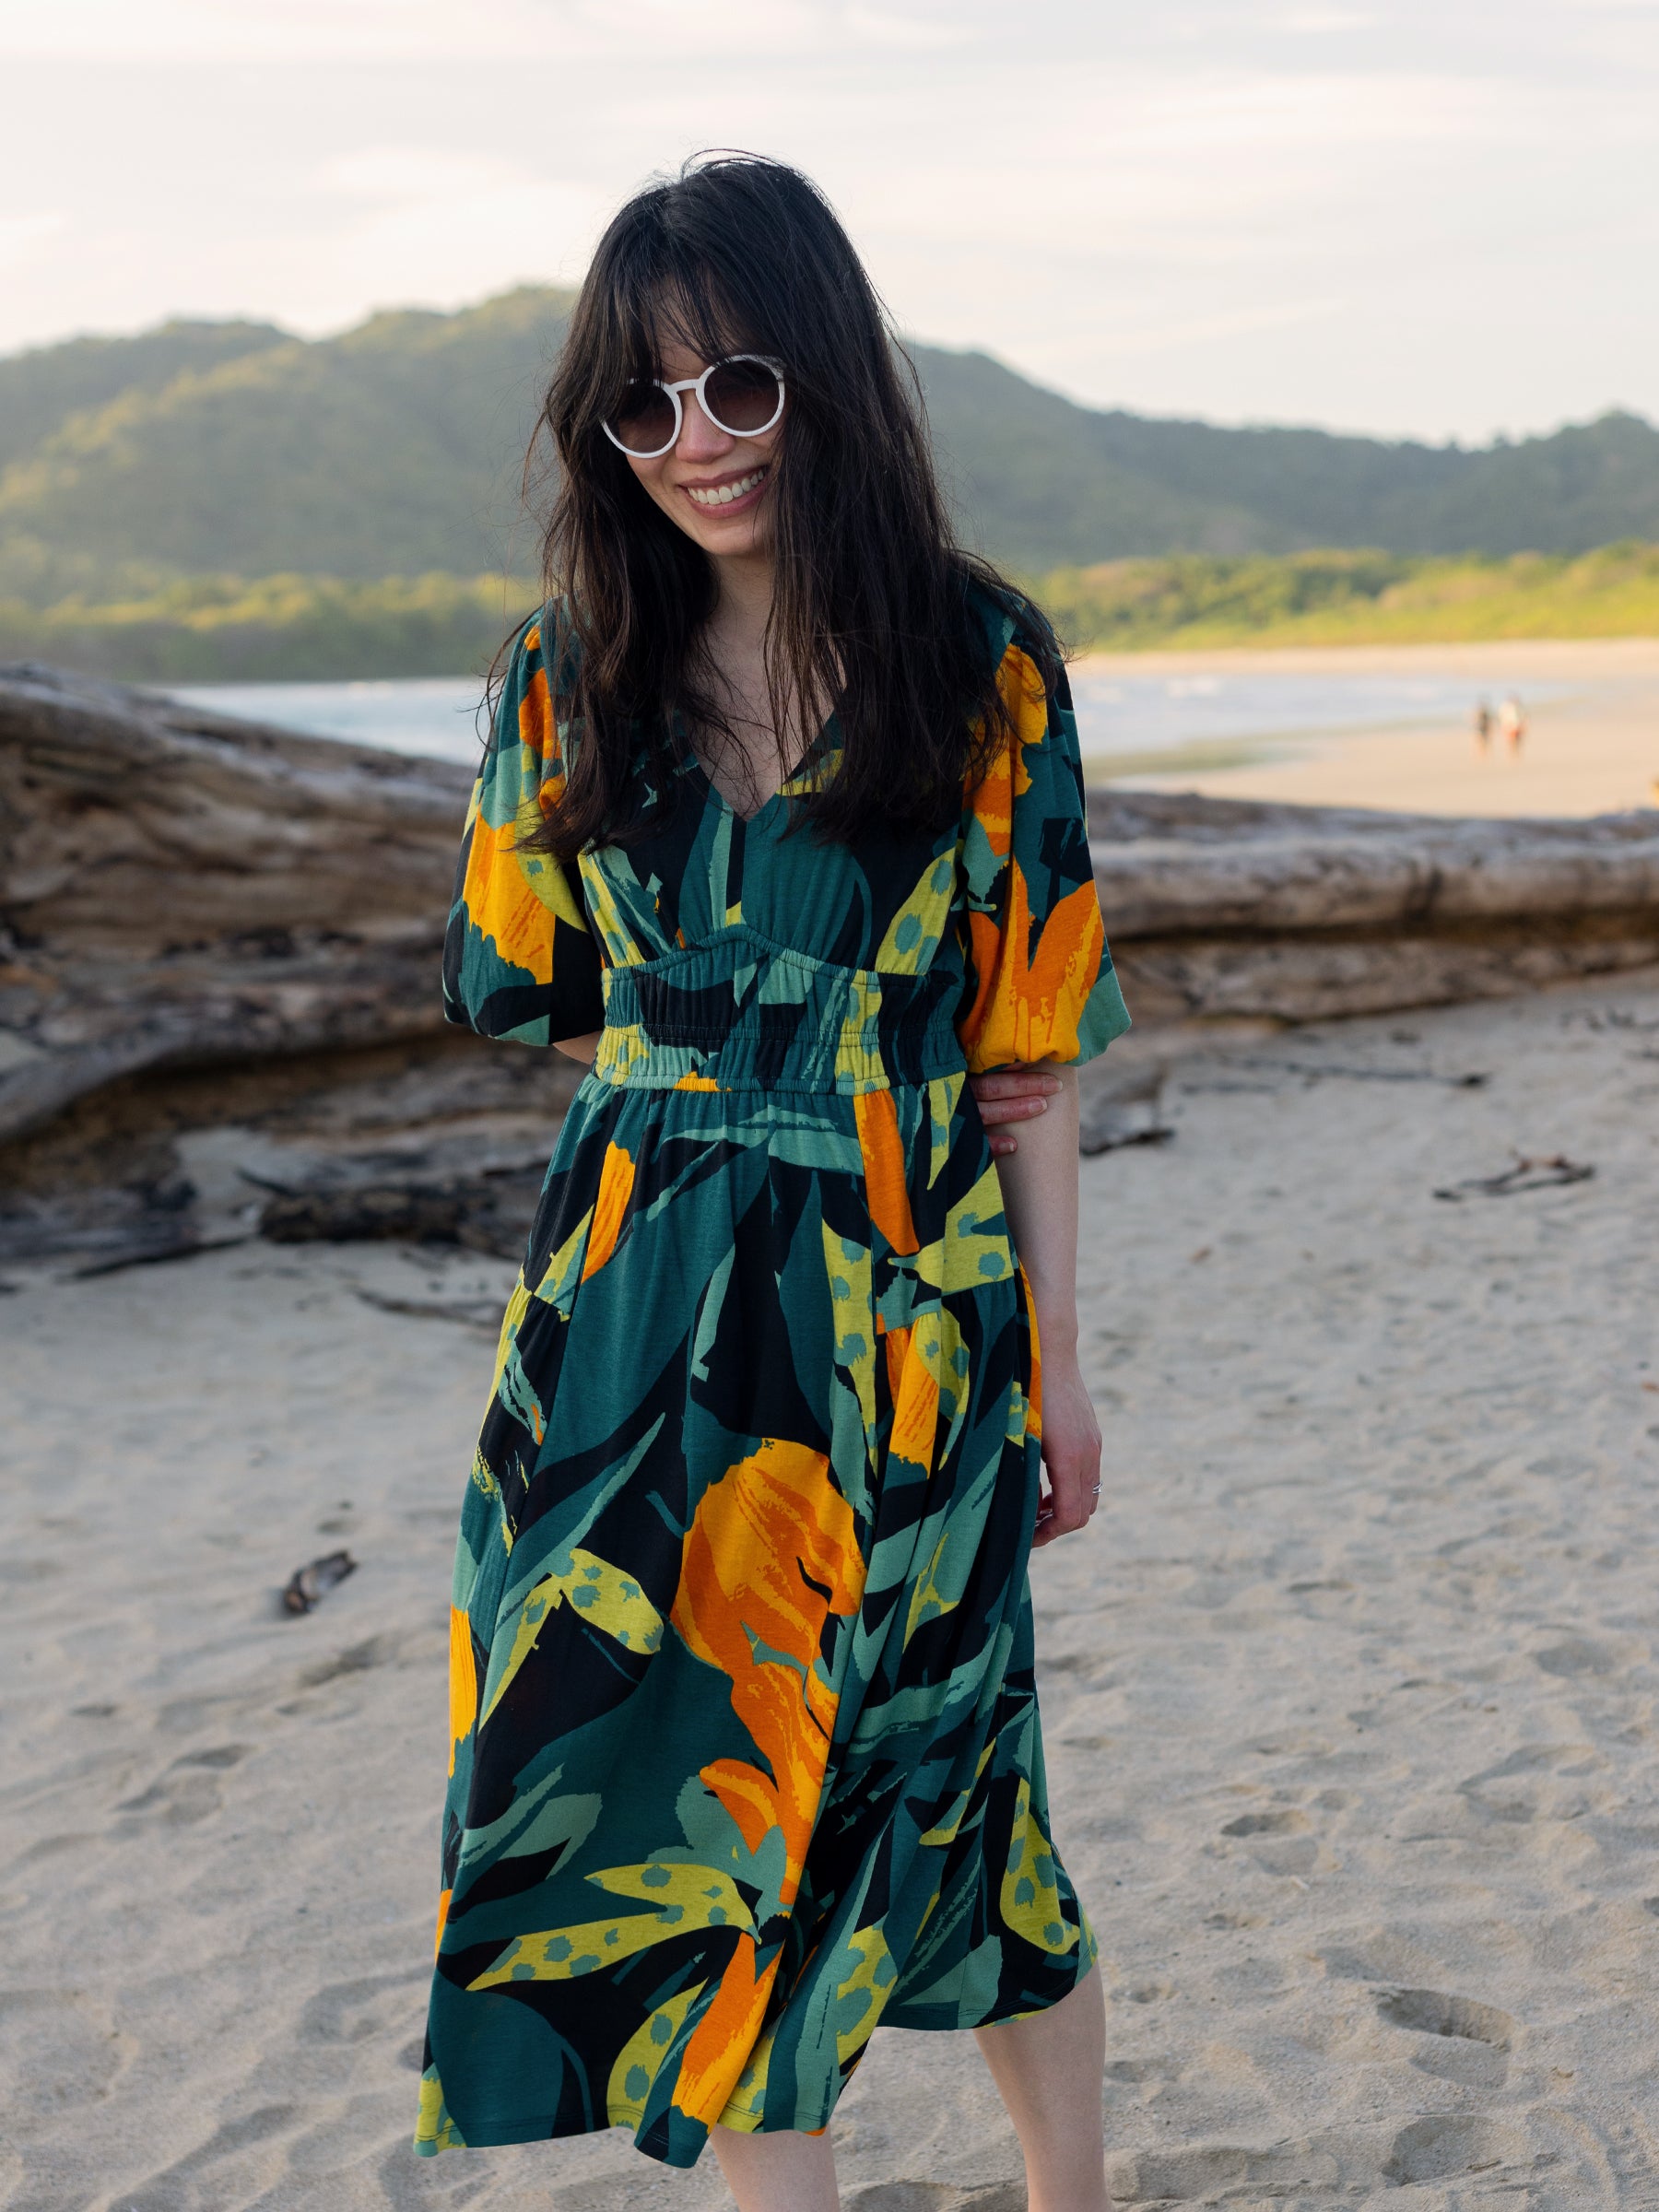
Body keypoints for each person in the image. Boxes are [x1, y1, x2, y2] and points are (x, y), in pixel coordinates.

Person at [414, 154, 1130, 2212]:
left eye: (736, 384)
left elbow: (1027, 1064)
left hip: (905, 1323)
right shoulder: (565, 680)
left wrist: (1059, 1369)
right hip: (628, 1336)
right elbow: (527, 983)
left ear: (822, 371)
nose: (695, 443)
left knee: (957, 1797)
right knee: (693, 1832)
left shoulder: (979, 662)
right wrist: (710, 1076)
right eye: (642, 408)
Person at [1499, 692, 1525, 758]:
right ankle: (1512, 753)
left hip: (1517, 726)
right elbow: (1502, 716)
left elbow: (1523, 716)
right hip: (1509, 726)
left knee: (1517, 740)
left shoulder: (1519, 706)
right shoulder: (1505, 707)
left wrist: (1523, 725)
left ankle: (1515, 753)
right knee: (1511, 740)